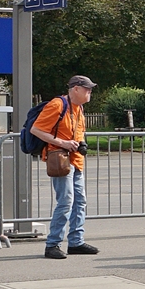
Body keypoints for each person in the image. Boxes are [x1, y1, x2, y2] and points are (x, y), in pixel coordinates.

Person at [34, 75, 98, 260]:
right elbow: (36, 130)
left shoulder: (78, 108)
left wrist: (81, 143)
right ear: (76, 88)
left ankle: (76, 241)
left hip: (75, 160)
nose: (90, 92)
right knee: (66, 202)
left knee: (80, 202)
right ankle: (52, 244)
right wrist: (63, 142)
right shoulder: (57, 105)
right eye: (87, 88)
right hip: (61, 160)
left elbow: (79, 133)